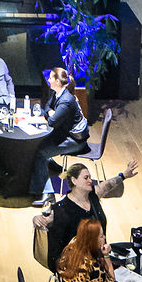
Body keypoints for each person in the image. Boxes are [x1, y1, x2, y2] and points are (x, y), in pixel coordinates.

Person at [33, 67, 93, 195]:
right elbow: (47, 106)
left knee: (40, 153)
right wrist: (51, 112)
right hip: (64, 134)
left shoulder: (66, 101)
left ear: (57, 82)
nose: (48, 80)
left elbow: (52, 122)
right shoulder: (57, 93)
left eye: (51, 78)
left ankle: (44, 192)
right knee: (38, 143)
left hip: (75, 141)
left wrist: (51, 114)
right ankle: (53, 167)